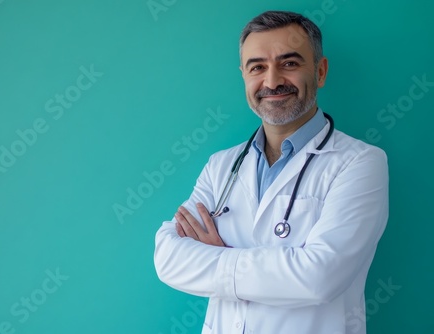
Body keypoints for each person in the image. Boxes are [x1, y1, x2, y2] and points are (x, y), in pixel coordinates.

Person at [154, 10, 388, 334]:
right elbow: (167, 256)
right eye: (257, 67)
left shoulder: (360, 163)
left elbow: (319, 278)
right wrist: (277, 270)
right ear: (244, 76)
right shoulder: (221, 165)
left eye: (289, 63)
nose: (272, 81)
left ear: (320, 72)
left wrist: (218, 257)